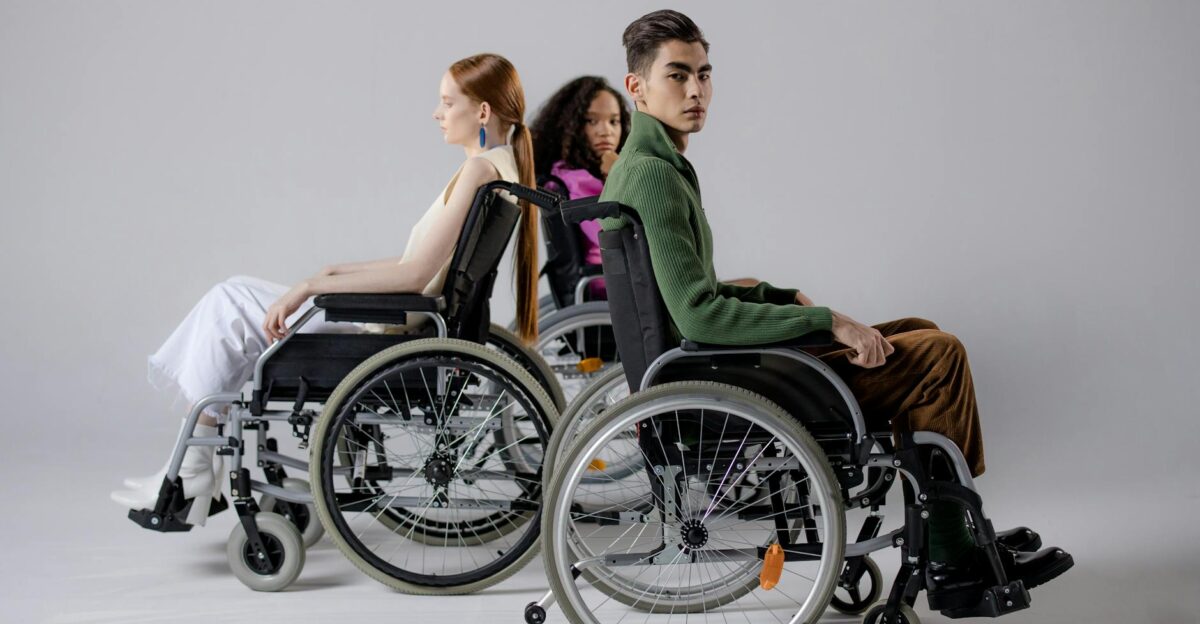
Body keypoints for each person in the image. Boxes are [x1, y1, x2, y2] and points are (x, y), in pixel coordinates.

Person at [599, 9, 1073, 599]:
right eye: (678, 75)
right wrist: (827, 321)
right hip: (725, 383)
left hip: (715, 367)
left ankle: (961, 531)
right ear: (637, 87)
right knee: (940, 355)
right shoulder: (652, 175)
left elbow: (692, 295)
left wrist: (775, 296)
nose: (697, 90)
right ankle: (954, 559)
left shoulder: (656, 166)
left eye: (704, 73)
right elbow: (697, 314)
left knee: (919, 331)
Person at [110, 53, 540, 526]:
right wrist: (331, 271)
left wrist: (314, 287)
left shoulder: (481, 173)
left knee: (227, 303)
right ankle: (195, 464)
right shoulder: (496, 168)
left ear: (482, 112)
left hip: (390, 327)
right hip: (400, 317)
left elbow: (416, 276)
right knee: (232, 293)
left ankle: (193, 466)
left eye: (447, 102)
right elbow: (414, 265)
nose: (437, 114)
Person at [530, 76, 631, 299]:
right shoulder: (576, 180)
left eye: (614, 121)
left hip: (616, 277)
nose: (606, 131)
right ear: (572, 127)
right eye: (591, 121)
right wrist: (619, 174)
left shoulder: (567, 173)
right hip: (610, 284)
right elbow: (616, 234)